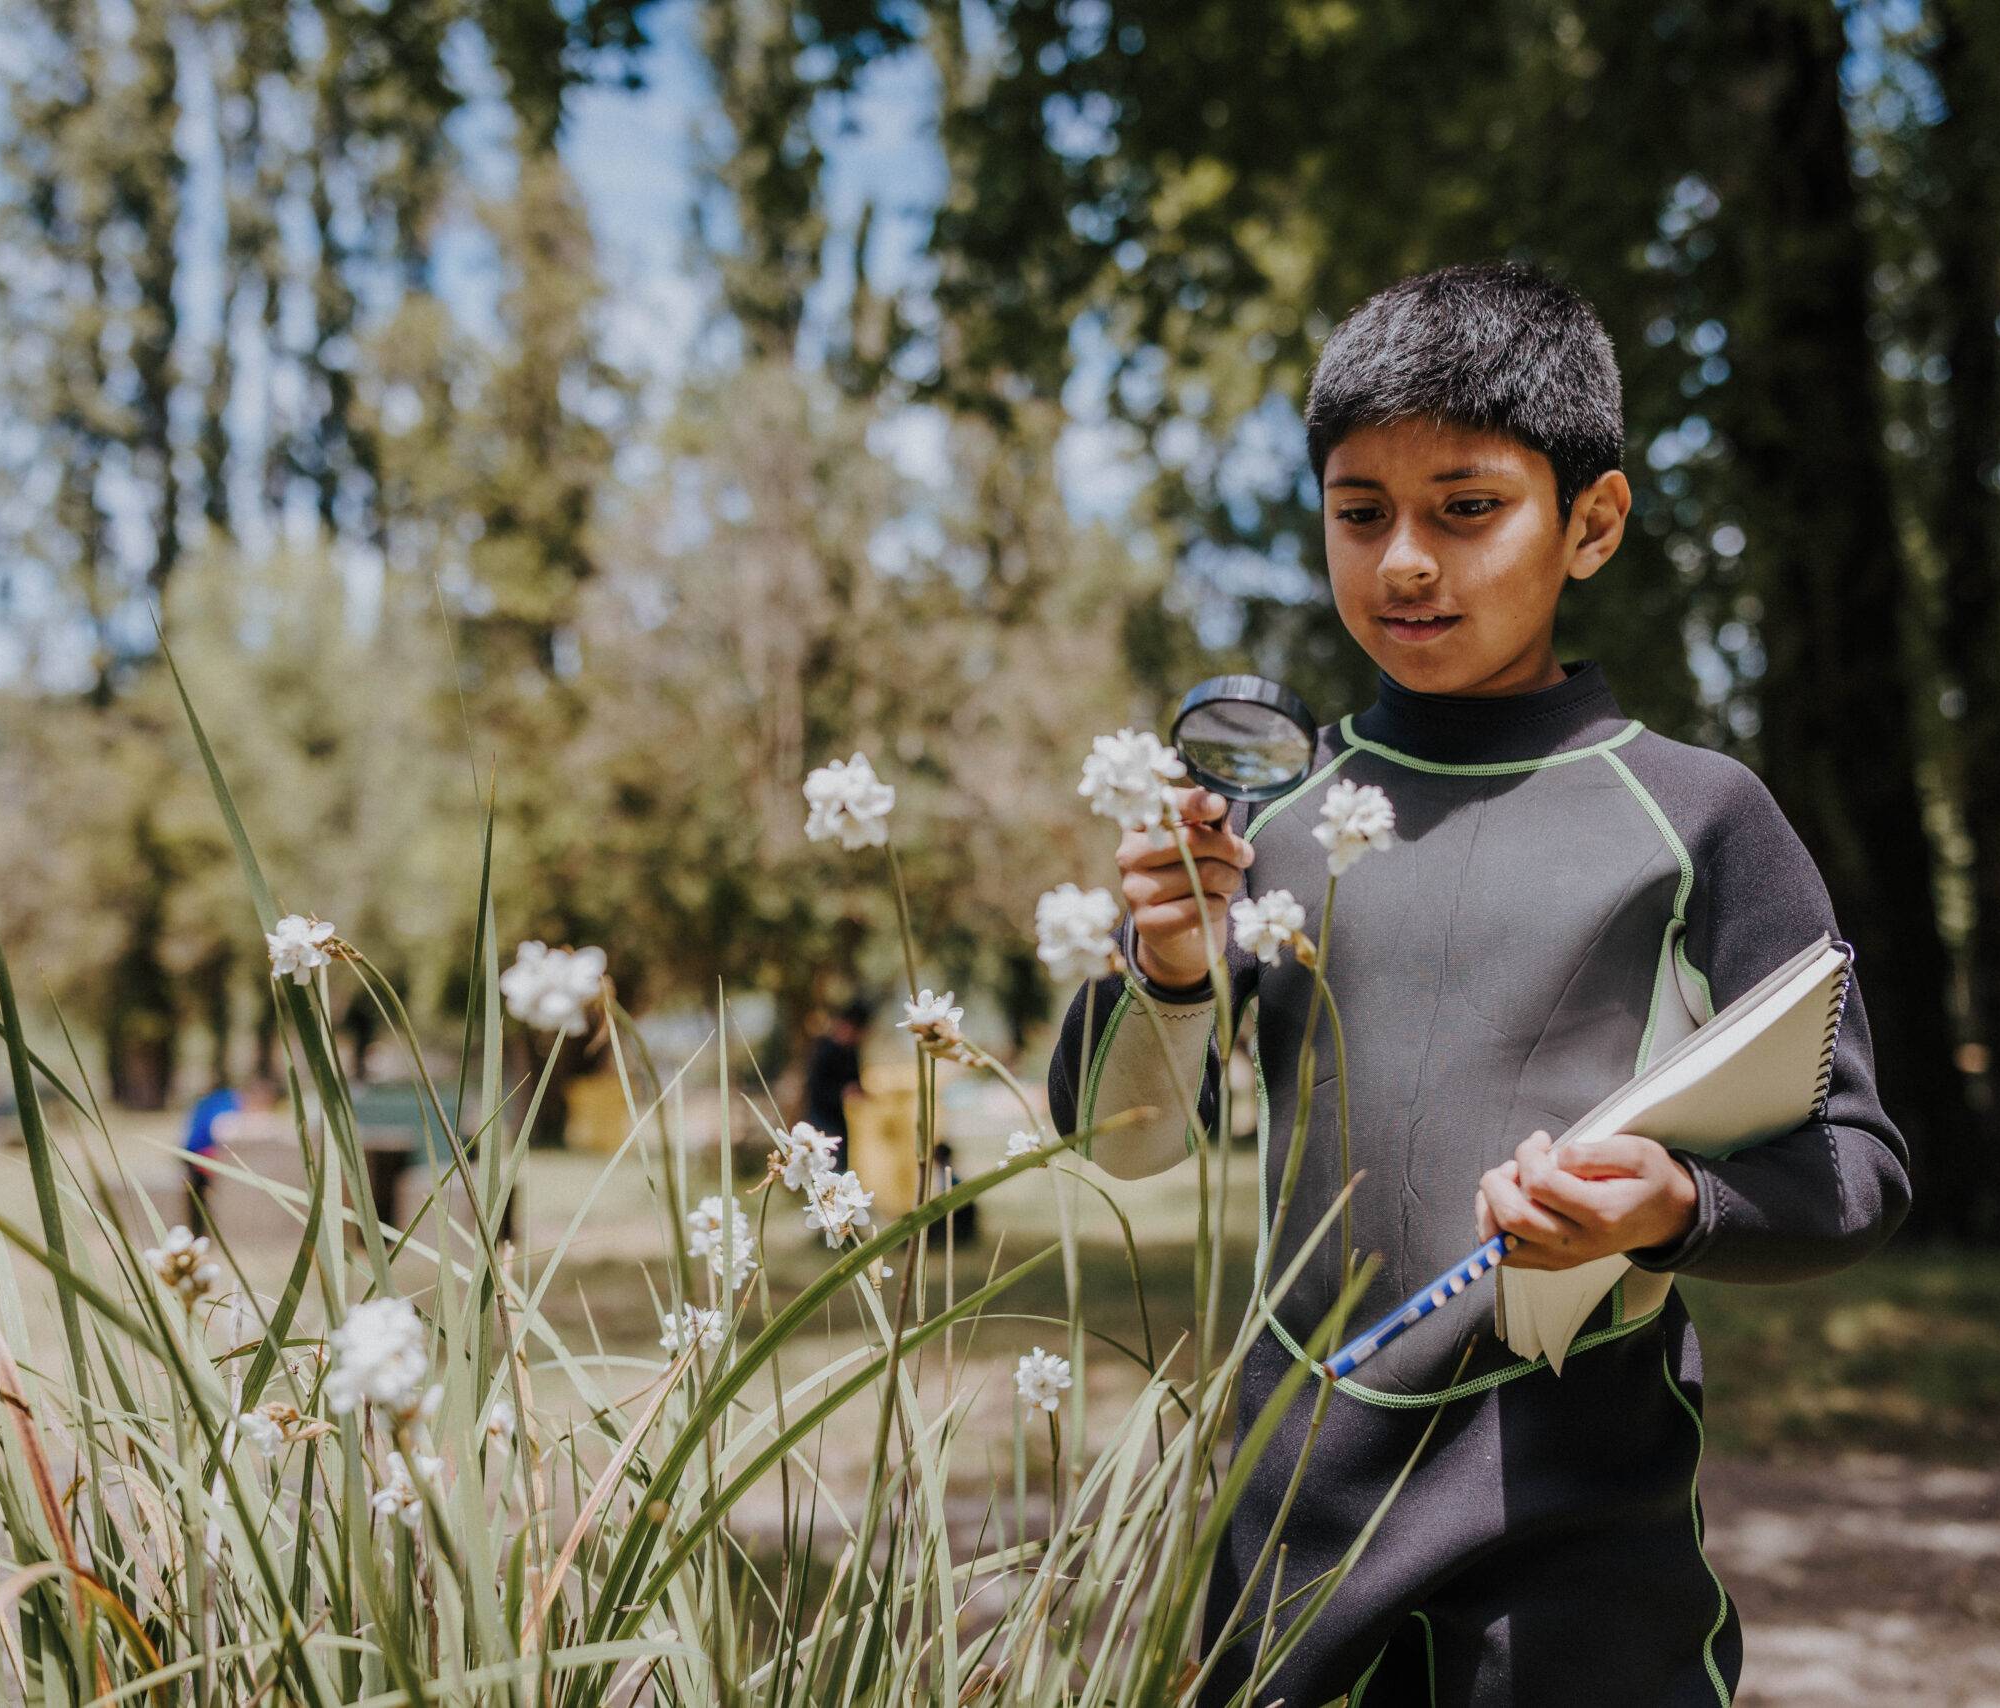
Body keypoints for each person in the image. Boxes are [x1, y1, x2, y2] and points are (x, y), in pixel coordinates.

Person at [1045, 264, 1909, 1707]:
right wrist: (1171, 961)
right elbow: (1119, 1144)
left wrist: (1672, 1206)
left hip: (1583, 1536)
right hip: (1293, 1525)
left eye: (1465, 508)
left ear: (1592, 524)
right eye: (1359, 512)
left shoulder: (1697, 817)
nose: (1403, 561)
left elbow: (1857, 1166)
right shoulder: (1267, 825)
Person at [181, 1073, 275, 1237]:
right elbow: (219, 1129)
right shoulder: (227, 1103)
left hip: (200, 1150)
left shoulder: (226, 1098)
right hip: (198, 1151)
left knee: (201, 1198)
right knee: (200, 1198)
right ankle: (198, 1234)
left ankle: (200, 1234)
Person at [801, 1001, 871, 1170]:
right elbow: (815, 1088)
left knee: (841, 1163)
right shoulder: (825, 1050)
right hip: (821, 1118)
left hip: (840, 1118)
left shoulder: (851, 1053)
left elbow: (855, 1082)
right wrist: (841, 1093)